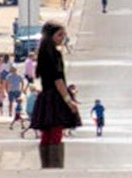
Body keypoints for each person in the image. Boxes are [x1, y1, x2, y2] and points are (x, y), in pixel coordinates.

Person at [30, 21, 81, 169]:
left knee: (46, 131)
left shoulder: (42, 53)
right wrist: (68, 100)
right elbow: (58, 80)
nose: (62, 38)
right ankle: (55, 167)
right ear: (50, 36)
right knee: (56, 130)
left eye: (63, 34)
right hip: (55, 96)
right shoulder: (54, 54)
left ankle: (47, 166)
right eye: (59, 35)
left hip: (45, 95)